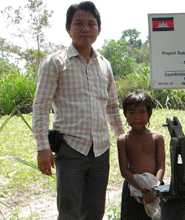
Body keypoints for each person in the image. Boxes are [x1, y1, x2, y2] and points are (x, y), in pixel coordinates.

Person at [32, 1, 125, 219]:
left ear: (99, 30)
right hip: (71, 148)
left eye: (91, 24)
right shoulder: (55, 62)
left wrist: (121, 138)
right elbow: (41, 105)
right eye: (79, 23)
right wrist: (42, 148)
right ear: (68, 28)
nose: (85, 29)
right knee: (69, 211)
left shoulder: (105, 64)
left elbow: (112, 106)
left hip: (101, 150)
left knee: (95, 211)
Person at [117, 92, 165, 220]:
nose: (137, 117)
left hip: (155, 187)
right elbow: (124, 171)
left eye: (142, 112)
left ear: (149, 114)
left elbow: (161, 166)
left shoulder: (157, 138)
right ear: (125, 115)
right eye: (131, 112)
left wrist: (153, 190)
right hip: (132, 189)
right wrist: (141, 190)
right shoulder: (123, 140)